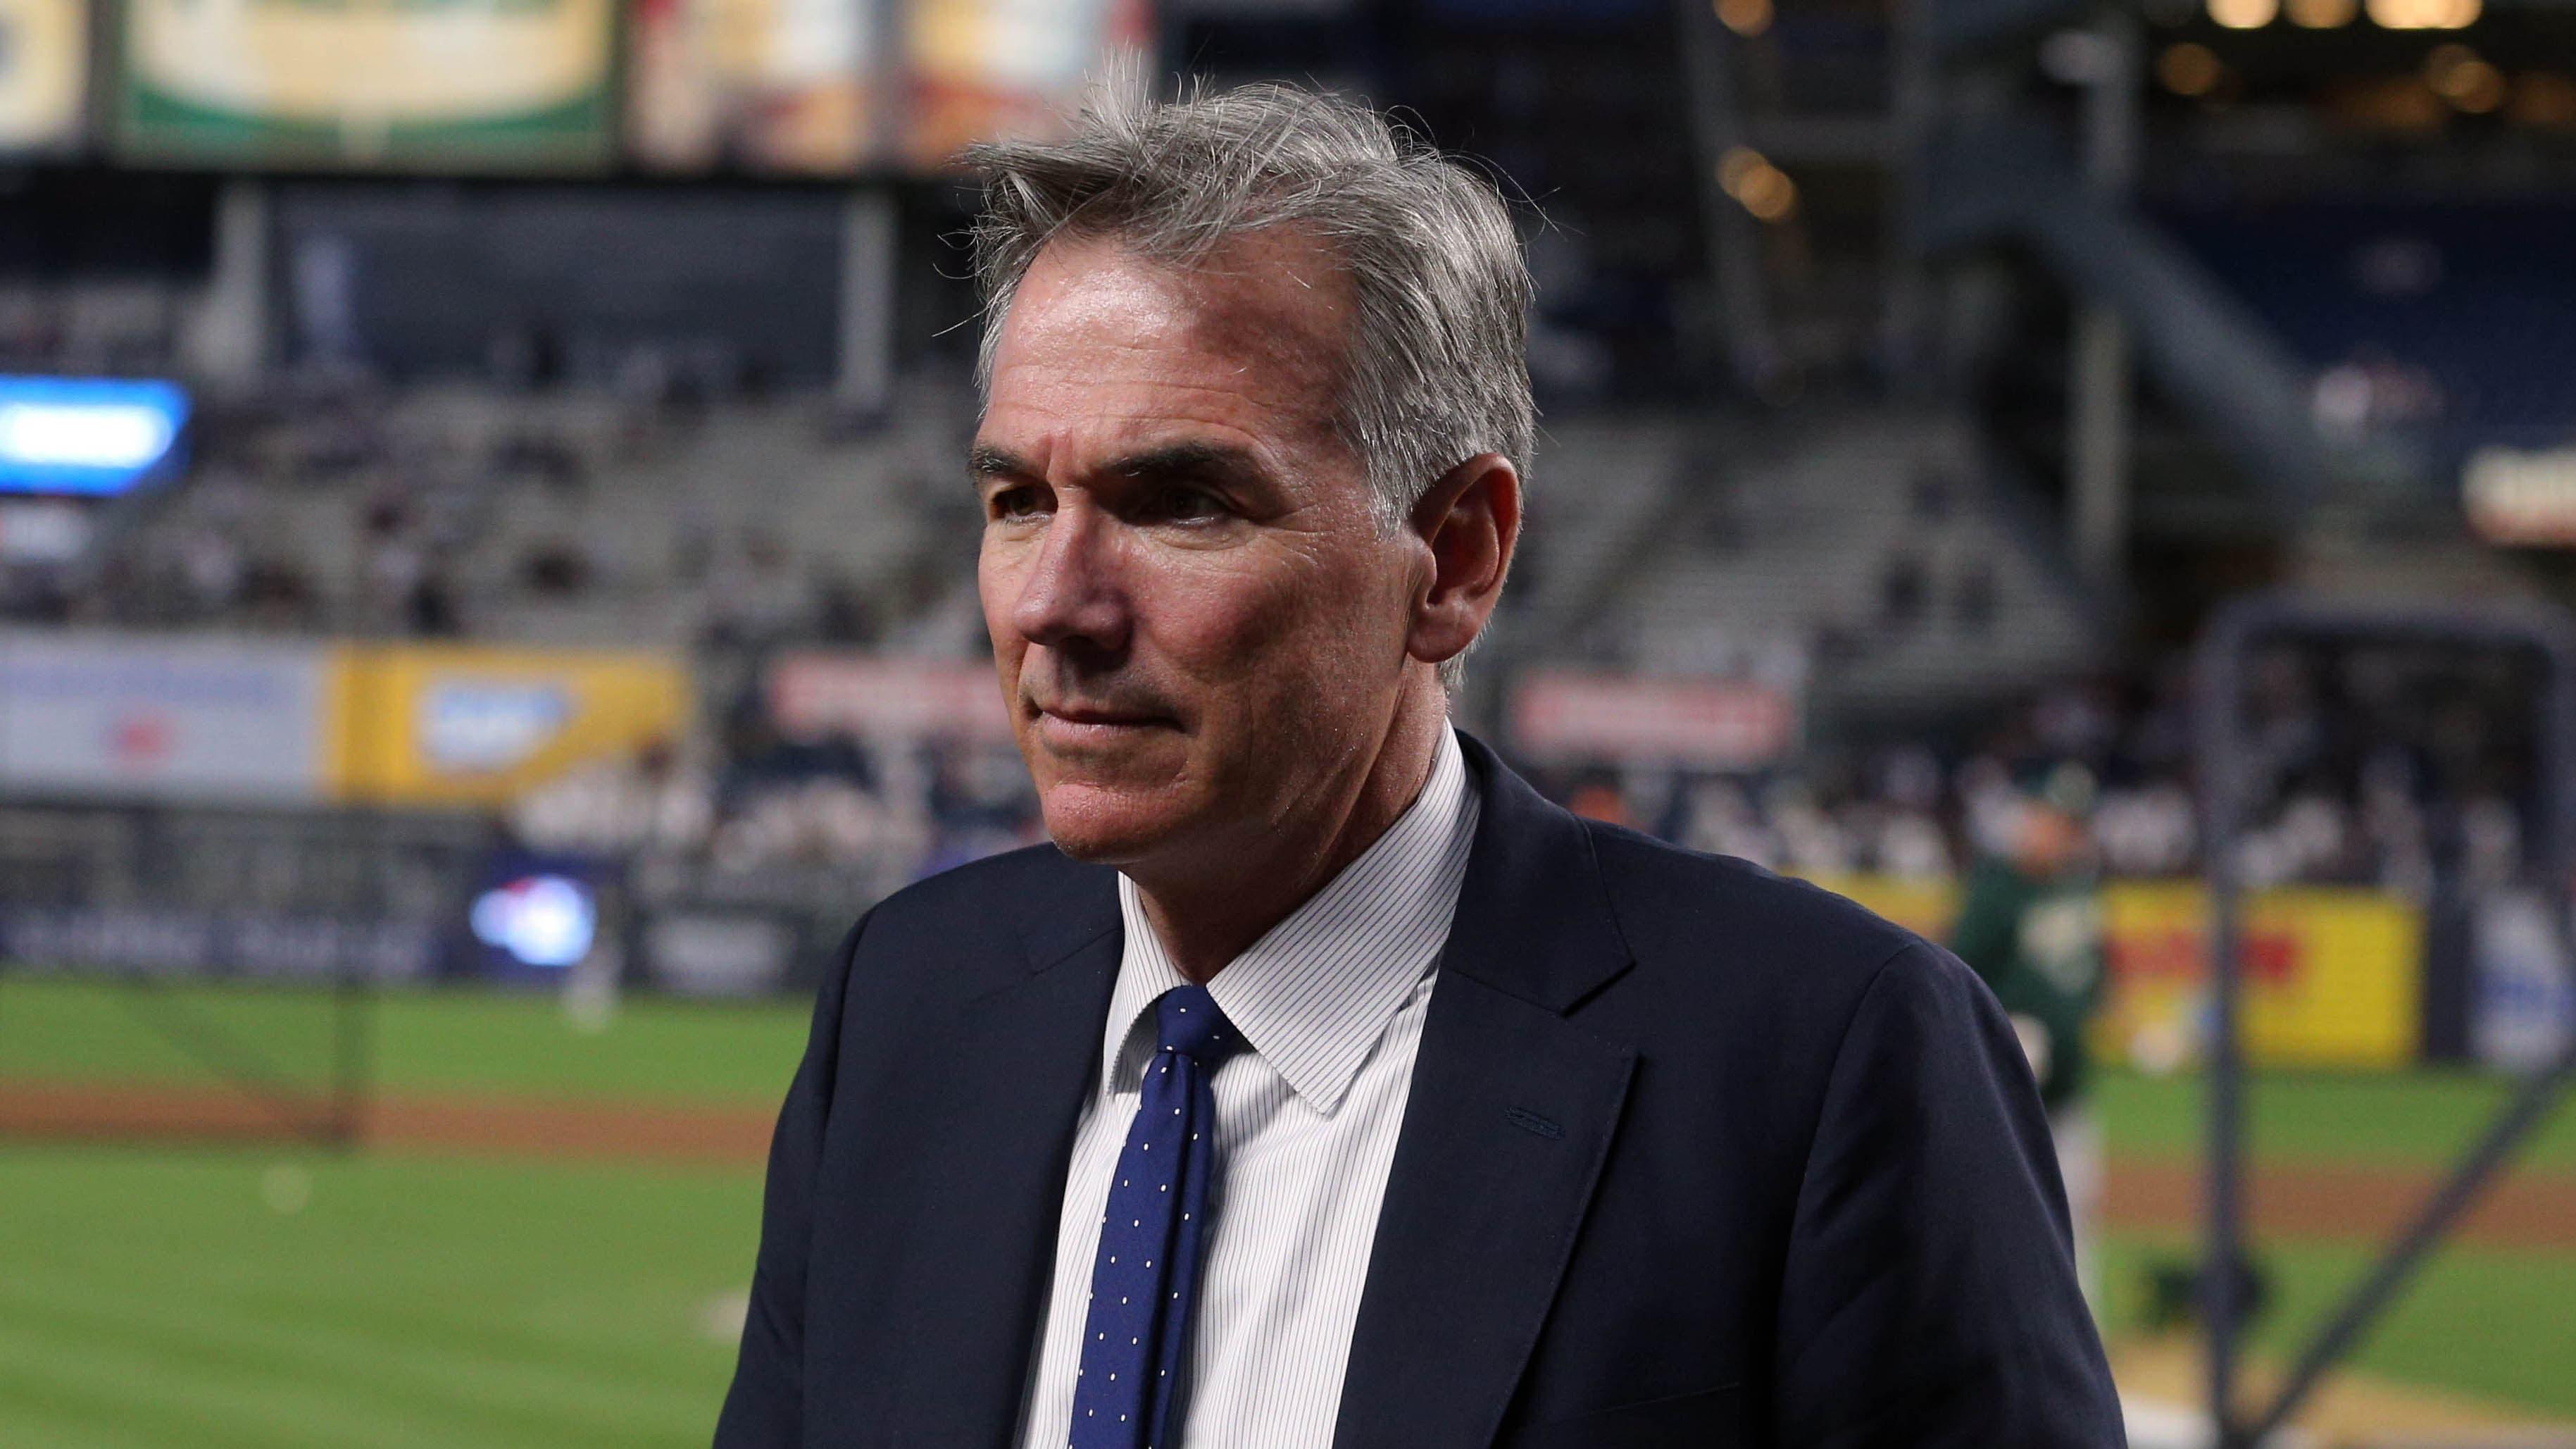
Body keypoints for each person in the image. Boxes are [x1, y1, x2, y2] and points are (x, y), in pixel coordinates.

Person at [715, 84, 2122, 1449]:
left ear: (1452, 557)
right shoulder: (910, 1000)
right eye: (1018, 497)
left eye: (1180, 500)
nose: (1051, 603)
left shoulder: (1822, 1054)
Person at [1951, 761, 2112, 1302]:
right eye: (2051, 819)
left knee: (2077, 1216)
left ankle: (2080, 1344)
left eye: (2071, 824)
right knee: (1992, 1220)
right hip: (2006, 1096)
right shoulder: (1997, 890)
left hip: (2067, 1091)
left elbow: (2091, 971)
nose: (2060, 834)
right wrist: (2002, 1030)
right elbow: (1954, 979)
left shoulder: (2080, 883)